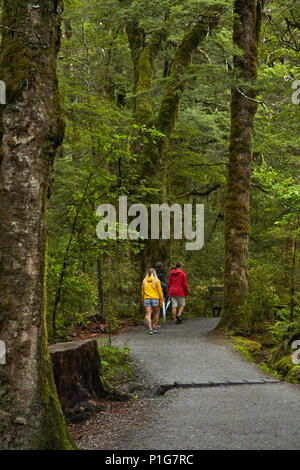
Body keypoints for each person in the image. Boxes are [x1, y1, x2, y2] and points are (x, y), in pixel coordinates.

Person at [142, 268, 163, 335]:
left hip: (146, 298)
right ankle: (155, 327)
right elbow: (160, 292)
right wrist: (161, 302)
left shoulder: (144, 281)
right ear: (154, 273)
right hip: (155, 299)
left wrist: (143, 301)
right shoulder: (157, 281)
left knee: (148, 314)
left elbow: (142, 293)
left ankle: (150, 329)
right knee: (156, 313)